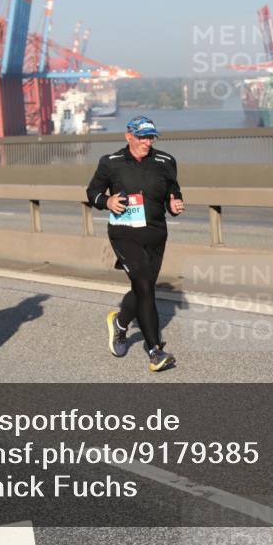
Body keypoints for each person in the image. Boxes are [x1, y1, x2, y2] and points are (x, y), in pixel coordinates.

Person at [86, 116, 184, 372]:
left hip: (155, 234)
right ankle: (155, 351)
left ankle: (119, 323)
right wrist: (106, 202)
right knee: (143, 283)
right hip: (123, 233)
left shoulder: (166, 161)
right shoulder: (111, 163)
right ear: (128, 136)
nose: (147, 142)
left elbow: (173, 192)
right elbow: (92, 192)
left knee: (144, 287)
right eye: (141, 137)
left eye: (150, 137)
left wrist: (174, 205)